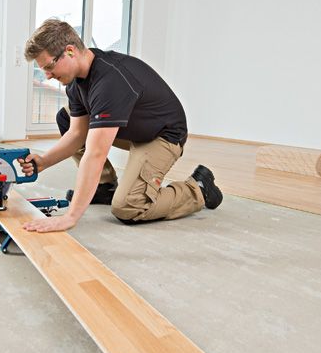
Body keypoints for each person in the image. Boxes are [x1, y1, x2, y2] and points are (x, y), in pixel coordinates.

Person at [18, 18, 222, 233]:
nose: (48, 76)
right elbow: (77, 133)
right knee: (67, 117)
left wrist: (70, 217)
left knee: (129, 206)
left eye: (49, 66)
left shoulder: (109, 81)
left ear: (70, 51)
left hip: (162, 135)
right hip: (132, 127)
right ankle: (104, 187)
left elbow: (95, 153)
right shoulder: (76, 81)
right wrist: (43, 162)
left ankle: (197, 188)